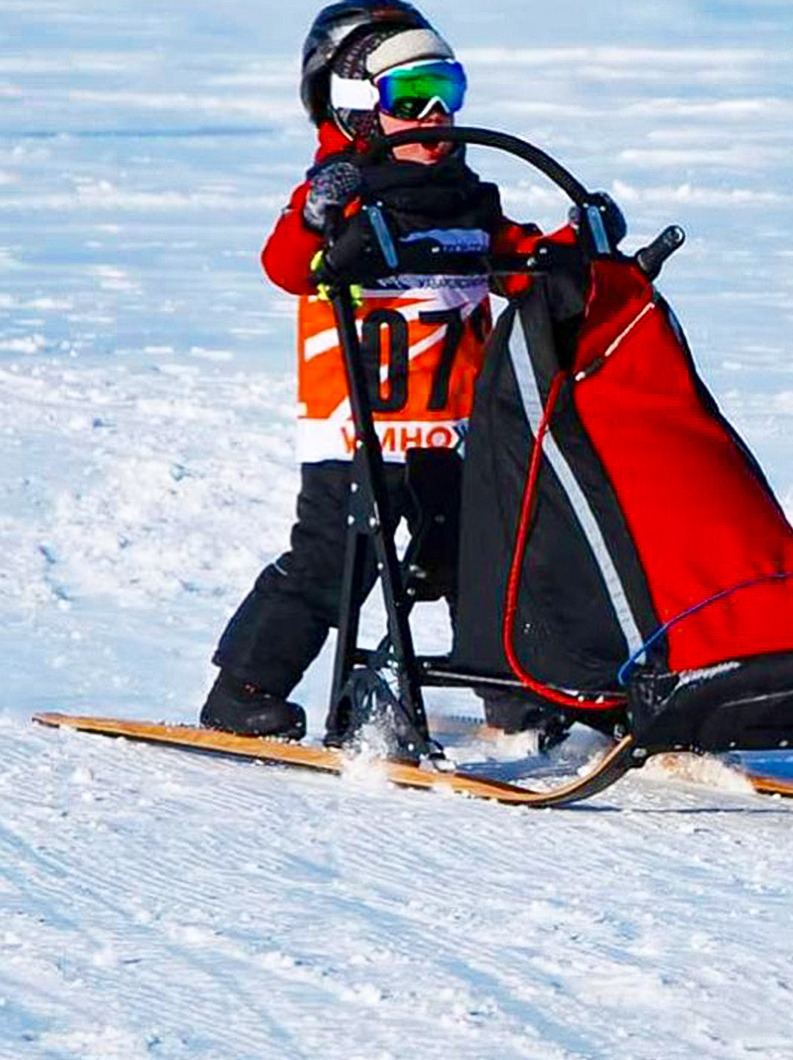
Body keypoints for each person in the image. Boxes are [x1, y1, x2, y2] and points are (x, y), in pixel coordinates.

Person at [202, 1, 621, 744]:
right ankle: (245, 690)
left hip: (458, 434)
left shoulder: (466, 201)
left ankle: (512, 696)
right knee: (335, 565)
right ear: (356, 105)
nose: (434, 115)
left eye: (448, 94)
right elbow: (286, 267)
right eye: (410, 97)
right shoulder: (338, 197)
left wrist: (577, 243)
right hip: (358, 433)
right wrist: (316, 216)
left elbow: (521, 264)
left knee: (483, 565)